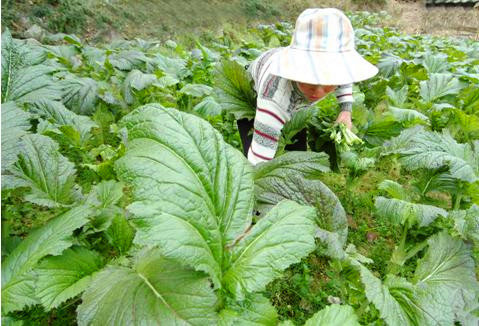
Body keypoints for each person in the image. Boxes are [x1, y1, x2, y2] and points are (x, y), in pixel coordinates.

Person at [238, 8, 378, 165]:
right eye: (311, 81)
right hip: (251, 89)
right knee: (256, 142)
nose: (318, 92)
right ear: (296, 70)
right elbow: (259, 159)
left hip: (289, 93)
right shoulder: (274, 98)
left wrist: (345, 110)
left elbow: (343, 76)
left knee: (296, 150)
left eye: (328, 82)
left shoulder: (337, 72)